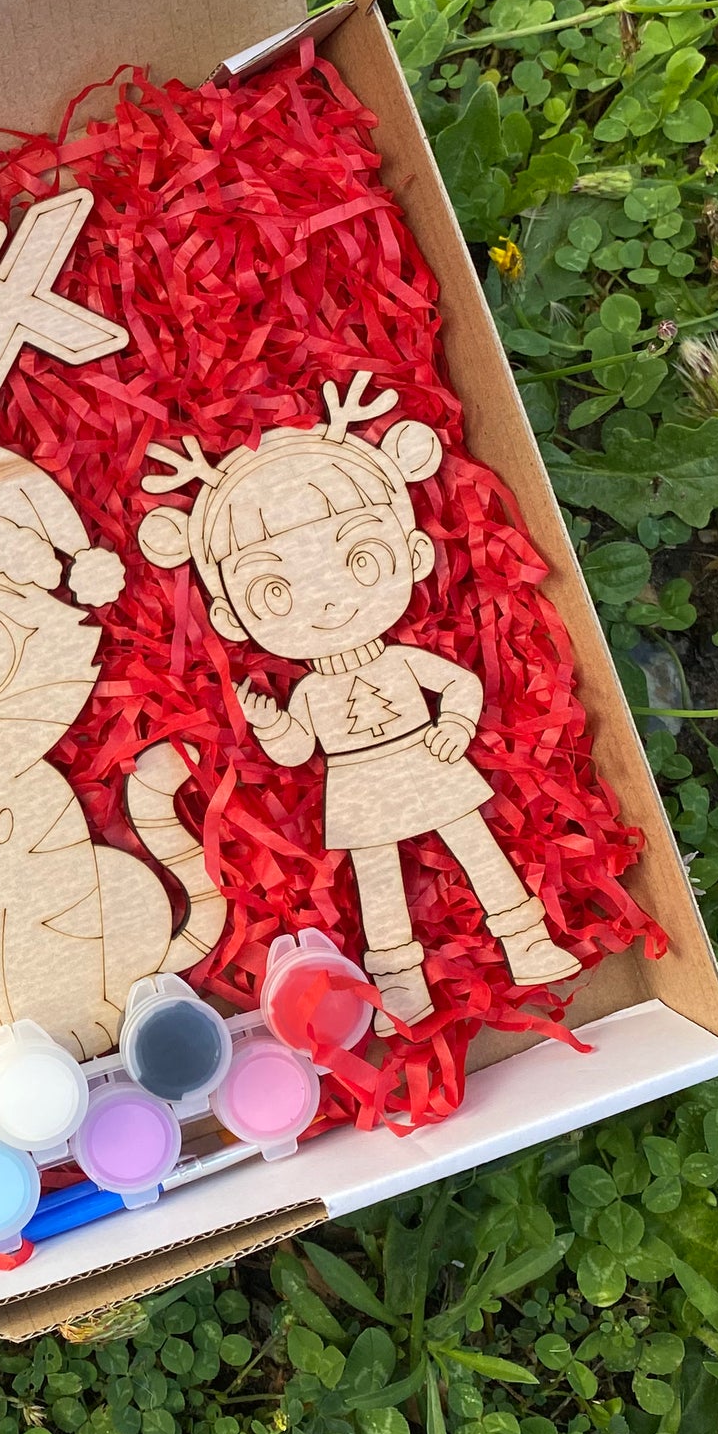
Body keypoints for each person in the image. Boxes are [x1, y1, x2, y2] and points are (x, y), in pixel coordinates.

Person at [137, 372, 581, 1030]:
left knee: (477, 846)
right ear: (232, 616)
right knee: (379, 879)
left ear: (414, 553)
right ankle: (399, 983)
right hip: (357, 781)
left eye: (361, 561)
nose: (326, 601)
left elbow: (460, 684)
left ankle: (526, 941)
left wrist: (457, 724)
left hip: (424, 758)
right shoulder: (312, 689)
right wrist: (271, 723)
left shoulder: (401, 660)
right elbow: (297, 749)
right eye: (276, 593)